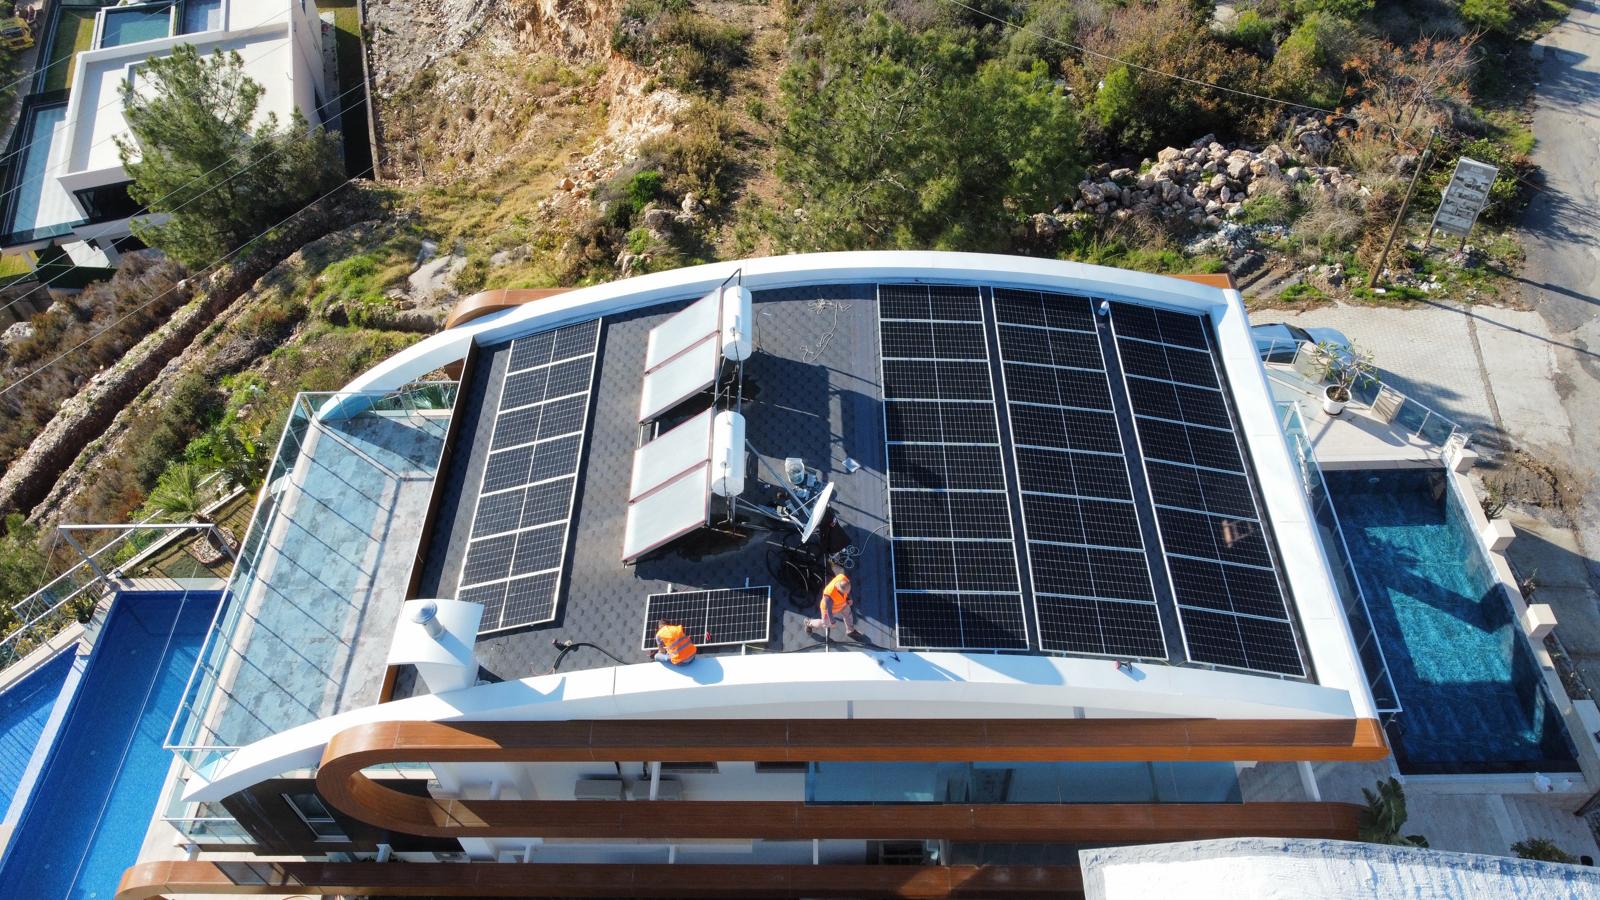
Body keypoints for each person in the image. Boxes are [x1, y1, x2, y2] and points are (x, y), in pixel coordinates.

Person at [806, 563, 861, 640]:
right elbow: (829, 611)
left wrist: (848, 598)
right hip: (829, 609)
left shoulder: (843, 579)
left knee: (848, 614)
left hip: (842, 604)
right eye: (845, 592)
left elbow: (847, 592)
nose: (847, 593)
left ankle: (850, 631)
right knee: (825, 623)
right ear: (839, 590)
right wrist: (832, 622)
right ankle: (809, 623)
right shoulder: (829, 595)